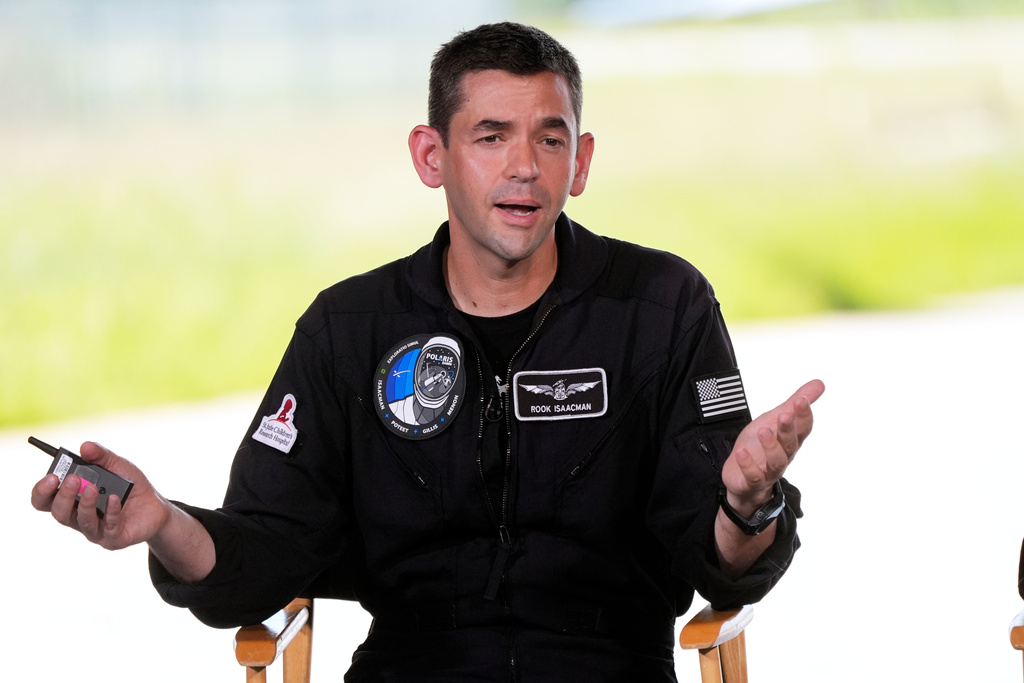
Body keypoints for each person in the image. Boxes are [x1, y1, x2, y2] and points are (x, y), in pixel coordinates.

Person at [31, 22, 824, 682]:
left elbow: (724, 562)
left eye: (551, 138)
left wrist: (748, 502)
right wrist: (162, 521)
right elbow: (265, 553)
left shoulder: (662, 307)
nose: (524, 166)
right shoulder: (350, 327)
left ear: (579, 164)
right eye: (491, 136)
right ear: (431, 156)